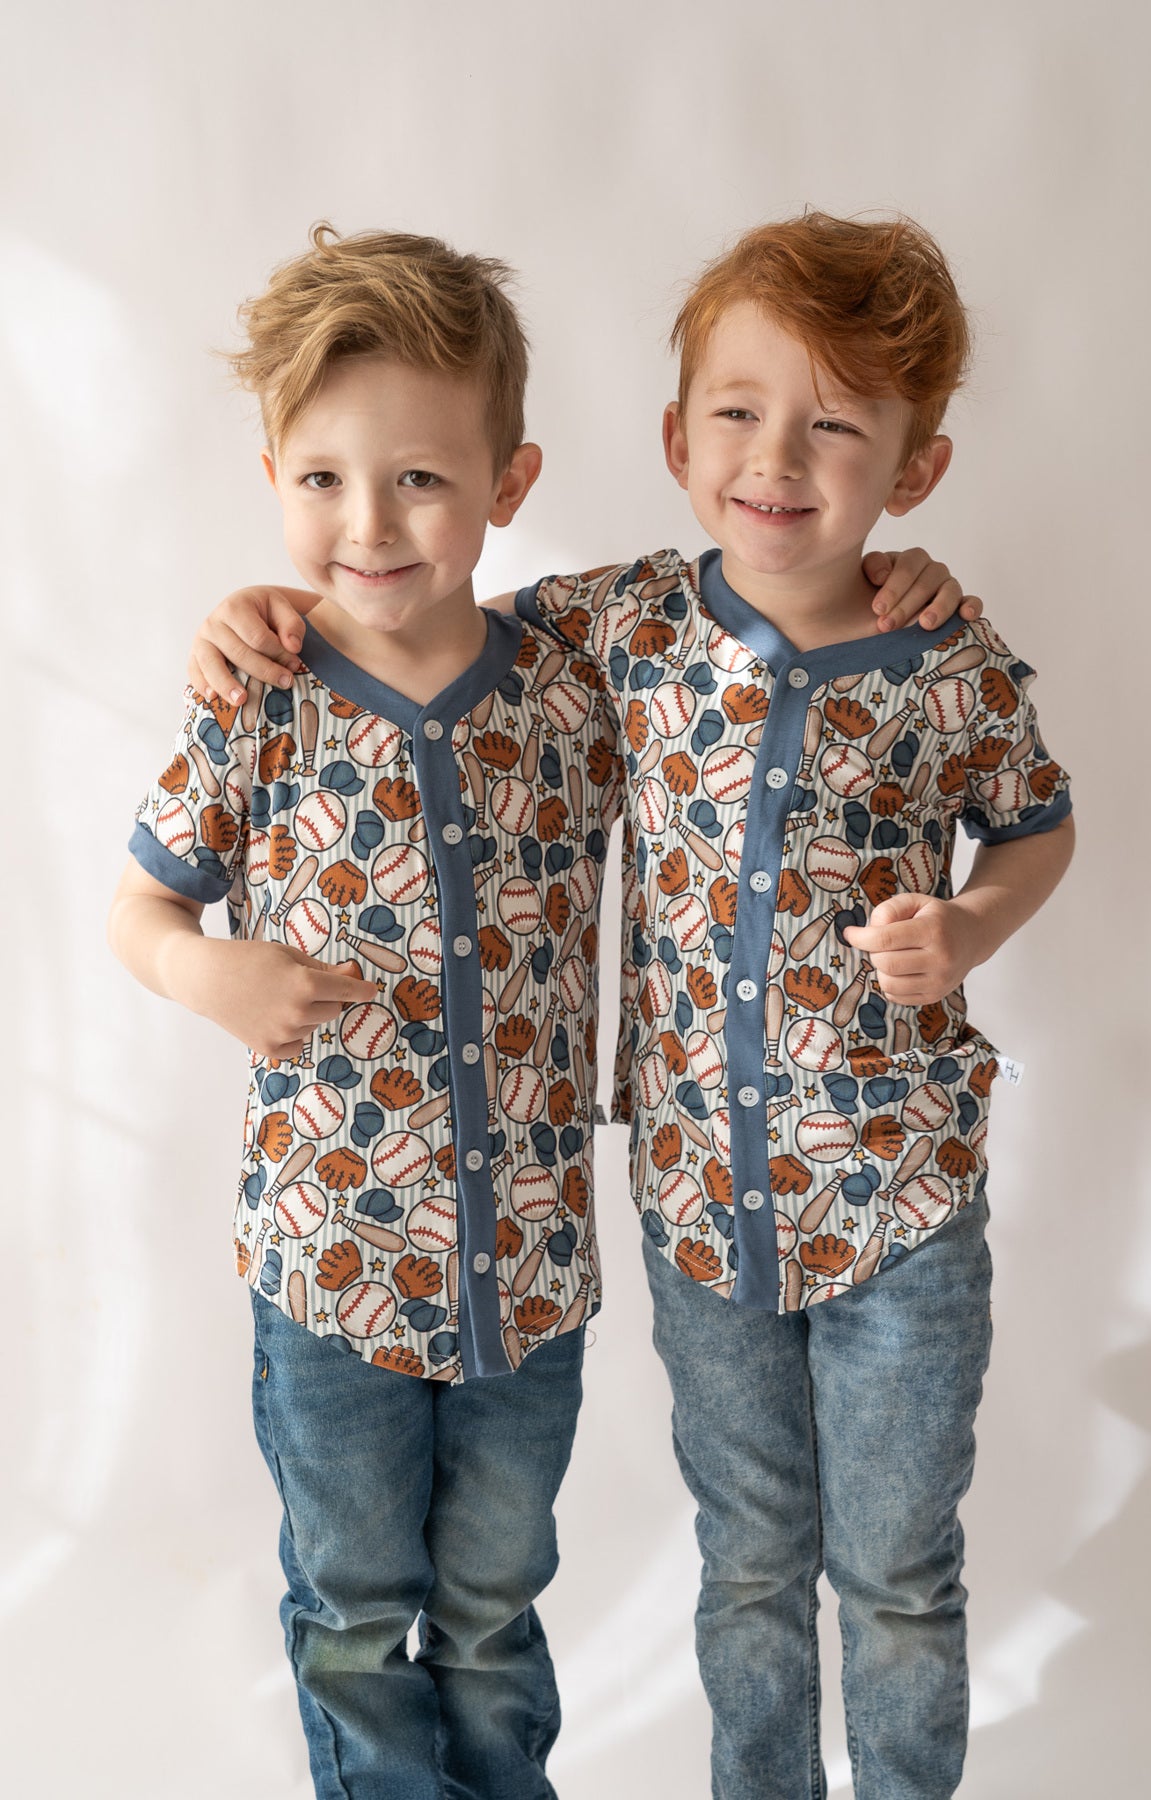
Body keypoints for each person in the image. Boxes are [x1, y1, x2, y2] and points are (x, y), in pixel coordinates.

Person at [185, 212, 1067, 1798]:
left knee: (898, 1576)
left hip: (901, 1185)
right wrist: (268, 613)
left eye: (836, 429)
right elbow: (415, 607)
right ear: (676, 439)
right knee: (749, 1563)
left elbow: (1035, 825)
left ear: (914, 469)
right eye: (737, 413)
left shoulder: (944, 655)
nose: (775, 459)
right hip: (703, 1203)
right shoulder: (618, 630)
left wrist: (975, 923)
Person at [108, 225, 624, 1800]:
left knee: (492, 1606)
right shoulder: (253, 699)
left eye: (419, 478)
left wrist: (898, 576)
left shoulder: (570, 690)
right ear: (274, 476)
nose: (369, 523)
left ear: (508, 483)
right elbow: (138, 911)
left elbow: (751, 609)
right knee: (352, 1611)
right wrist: (207, 971)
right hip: (329, 1268)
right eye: (324, 478)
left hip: (527, 1276)